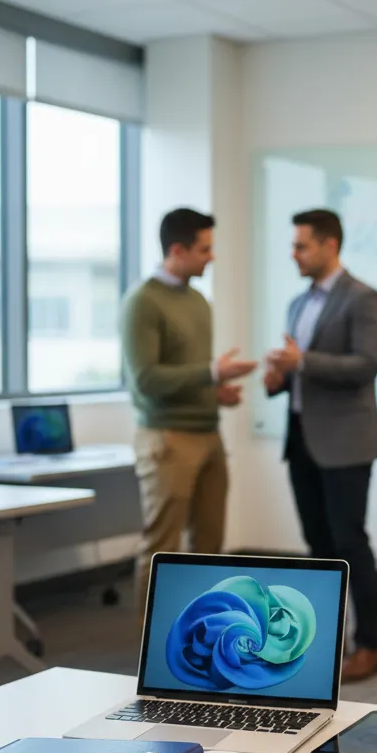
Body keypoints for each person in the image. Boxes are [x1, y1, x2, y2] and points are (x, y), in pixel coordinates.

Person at [264, 209, 377, 682]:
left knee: (350, 542)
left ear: (330, 245)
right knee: (317, 545)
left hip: (346, 441)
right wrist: (277, 377)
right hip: (301, 438)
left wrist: (302, 361)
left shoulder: (363, 299)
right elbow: (300, 370)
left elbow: (365, 366)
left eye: (301, 245)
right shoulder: (297, 303)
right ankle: (324, 641)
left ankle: (370, 646)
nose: (293, 253)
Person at [121, 208, 256, 616]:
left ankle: (200, 643)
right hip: (167, 438)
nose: (211, 257)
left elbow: (185, 376)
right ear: (177, 250)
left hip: (208, 434)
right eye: (205, 249)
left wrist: (216, 393)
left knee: (210, 546)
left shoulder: (199, 301)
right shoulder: (142, 302)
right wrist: (212, 372)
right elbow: (146, 380)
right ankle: (152, 656)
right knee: (162, 548)